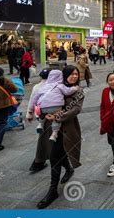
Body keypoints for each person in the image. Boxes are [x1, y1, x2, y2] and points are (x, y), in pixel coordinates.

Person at [33, 65, 84, 209]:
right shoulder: (54, 86)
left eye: (76, 74)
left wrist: (58, 115)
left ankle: (52, 190)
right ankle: (68, 169)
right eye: (71, 74)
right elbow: (40, 102)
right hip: (51, 128)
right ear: (64, 75)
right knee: (58, 154)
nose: (74, 77)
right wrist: (41, 114)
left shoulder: (78, 91)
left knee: (55, 156)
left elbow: (75, 109)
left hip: (67, 129)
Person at [29, 70, 79, 142]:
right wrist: (75, 88)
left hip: (43, 107)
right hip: (56, 107)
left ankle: (40, 124)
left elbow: (34, 99)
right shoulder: (60, 86)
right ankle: (54, 134)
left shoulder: (43, 87)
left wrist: (30, 110)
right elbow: (68, 91)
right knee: (56, 118)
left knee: (42, 115)